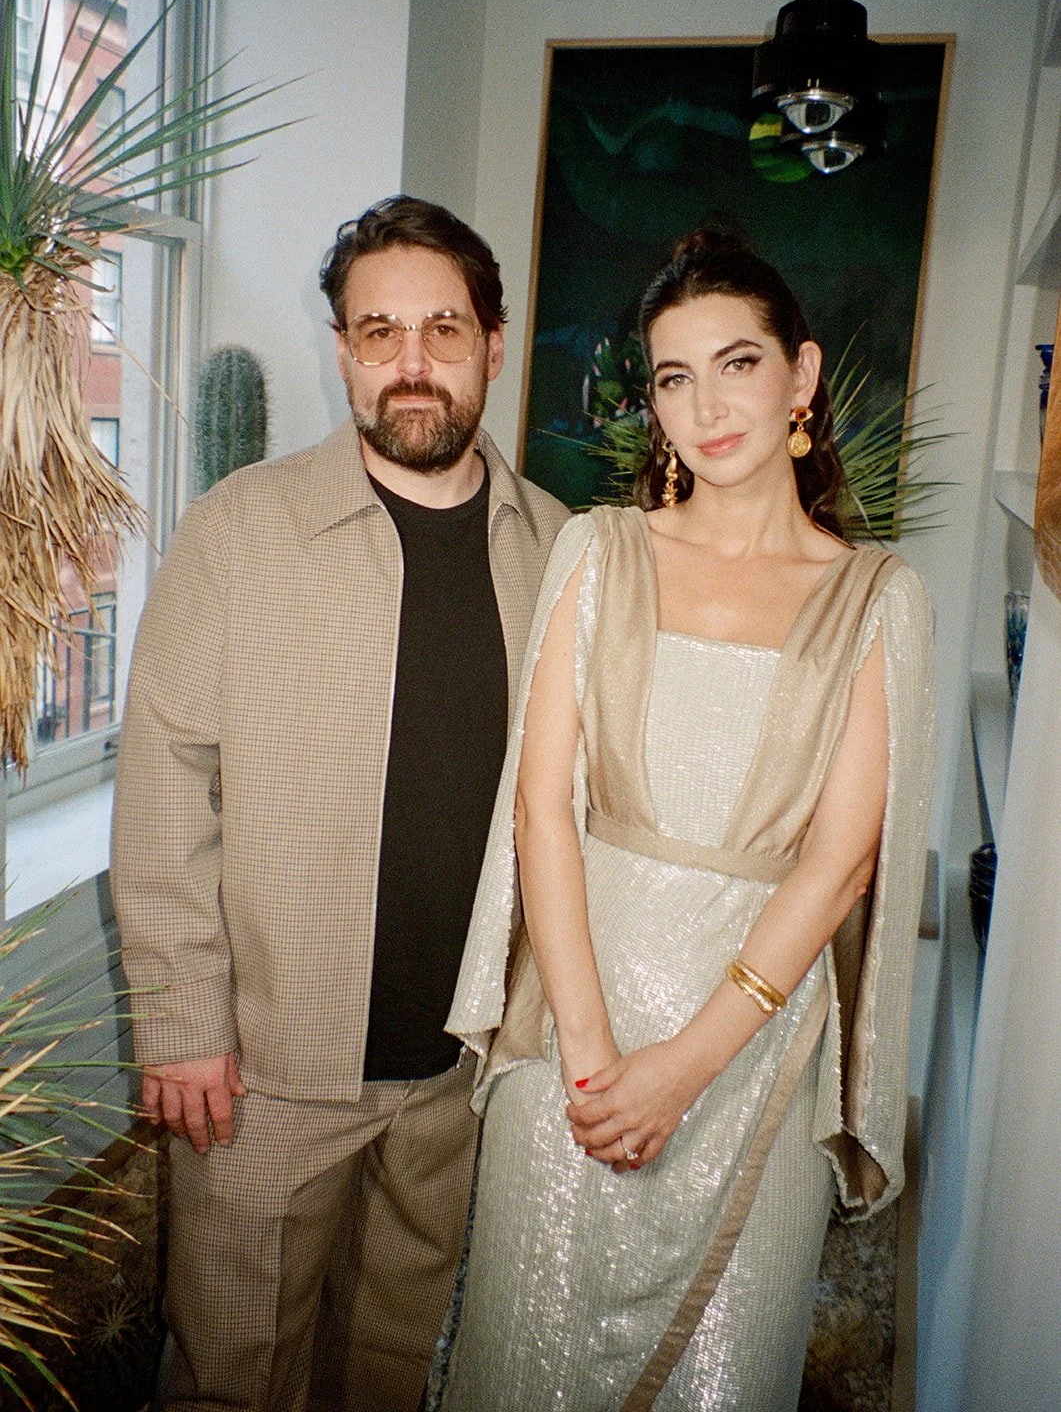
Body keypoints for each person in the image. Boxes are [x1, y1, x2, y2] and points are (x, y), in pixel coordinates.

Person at [439, 228, 936, 1411]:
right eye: (672, 377)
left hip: (747, 1067)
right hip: (569, 1045)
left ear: (800, 376)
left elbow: (838, 862)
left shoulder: (875, 597)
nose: (705, 406)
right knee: (518, 1359)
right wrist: (594, 1054)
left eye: (736, 363)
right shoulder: (596, 551)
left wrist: (682, 1069)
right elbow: (542, 809)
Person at [109, 195, 568, 1412]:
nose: (411, 365)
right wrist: (179, 1020)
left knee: (386, 1366)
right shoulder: (237, 535)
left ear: (494, 341)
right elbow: (164, 776)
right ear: (342, 349)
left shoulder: (562, 553)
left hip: (455, 1072)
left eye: (442, 331)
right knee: (231, 1369)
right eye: (379, 333)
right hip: (262, 1072)